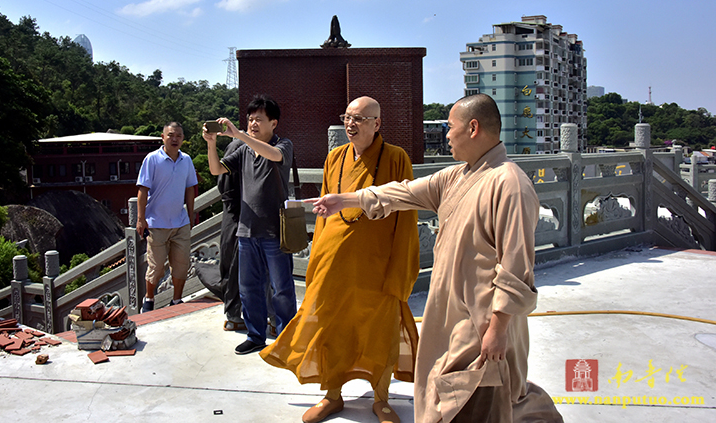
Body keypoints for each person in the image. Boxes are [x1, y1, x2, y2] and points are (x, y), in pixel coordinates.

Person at [310, 94, 563, 423]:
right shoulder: (456, 177)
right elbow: (402, 192)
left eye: (450, 127)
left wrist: (498, 328)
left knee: (480, 401)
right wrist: (344, 200)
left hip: (483, 320)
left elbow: (515, 267)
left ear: (473, 128)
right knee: (453, 396)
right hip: (449, 314)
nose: (445, 135)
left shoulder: (509, 184)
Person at [261, 96, 420, 423]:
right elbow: (323, 211)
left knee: (379, 332)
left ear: (377, 124)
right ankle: (332, 395)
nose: (351, 124)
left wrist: (401, 267)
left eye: (360, 119)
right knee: (331, 329)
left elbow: (406, 215)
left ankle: (382, 398)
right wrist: (317, 256)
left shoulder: (395, 158)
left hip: (376, 265)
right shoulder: (334, 157)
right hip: (334, 262)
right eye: (347, 117)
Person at [203, 95, 297, 355]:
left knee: (281, 289)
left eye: (259, 119)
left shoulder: (283, 145)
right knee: (249, 289)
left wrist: (240, 134)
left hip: (274, 231)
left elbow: (274, 156)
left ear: (274, 123)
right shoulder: (243, 149)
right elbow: (216, 170)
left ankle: (287, 338)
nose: (253, 123)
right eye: (250, 119)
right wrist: (211, 144)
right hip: (246, 230)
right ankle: (255, 335)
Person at [136, 122, 198, 313]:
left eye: (179, 135)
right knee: (156, 267)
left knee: (181, 264)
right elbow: (142, 190)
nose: (175, 139)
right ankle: (149, 299)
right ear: (163, 137)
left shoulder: (186, 160)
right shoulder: (152, 159)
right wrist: (140, 218)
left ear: (183, 139)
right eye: (171, 135)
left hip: (180, 222)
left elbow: (190, 189)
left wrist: (190, 215)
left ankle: (177, 300)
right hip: (156, 222)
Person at [217, 138, 245, 331]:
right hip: (237, 213)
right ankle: (233, 314)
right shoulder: (238, 146)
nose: (255, 124)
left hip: (256, 217)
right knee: (234, 263)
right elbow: (224, 182)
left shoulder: (273, 145)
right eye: (252, 120)